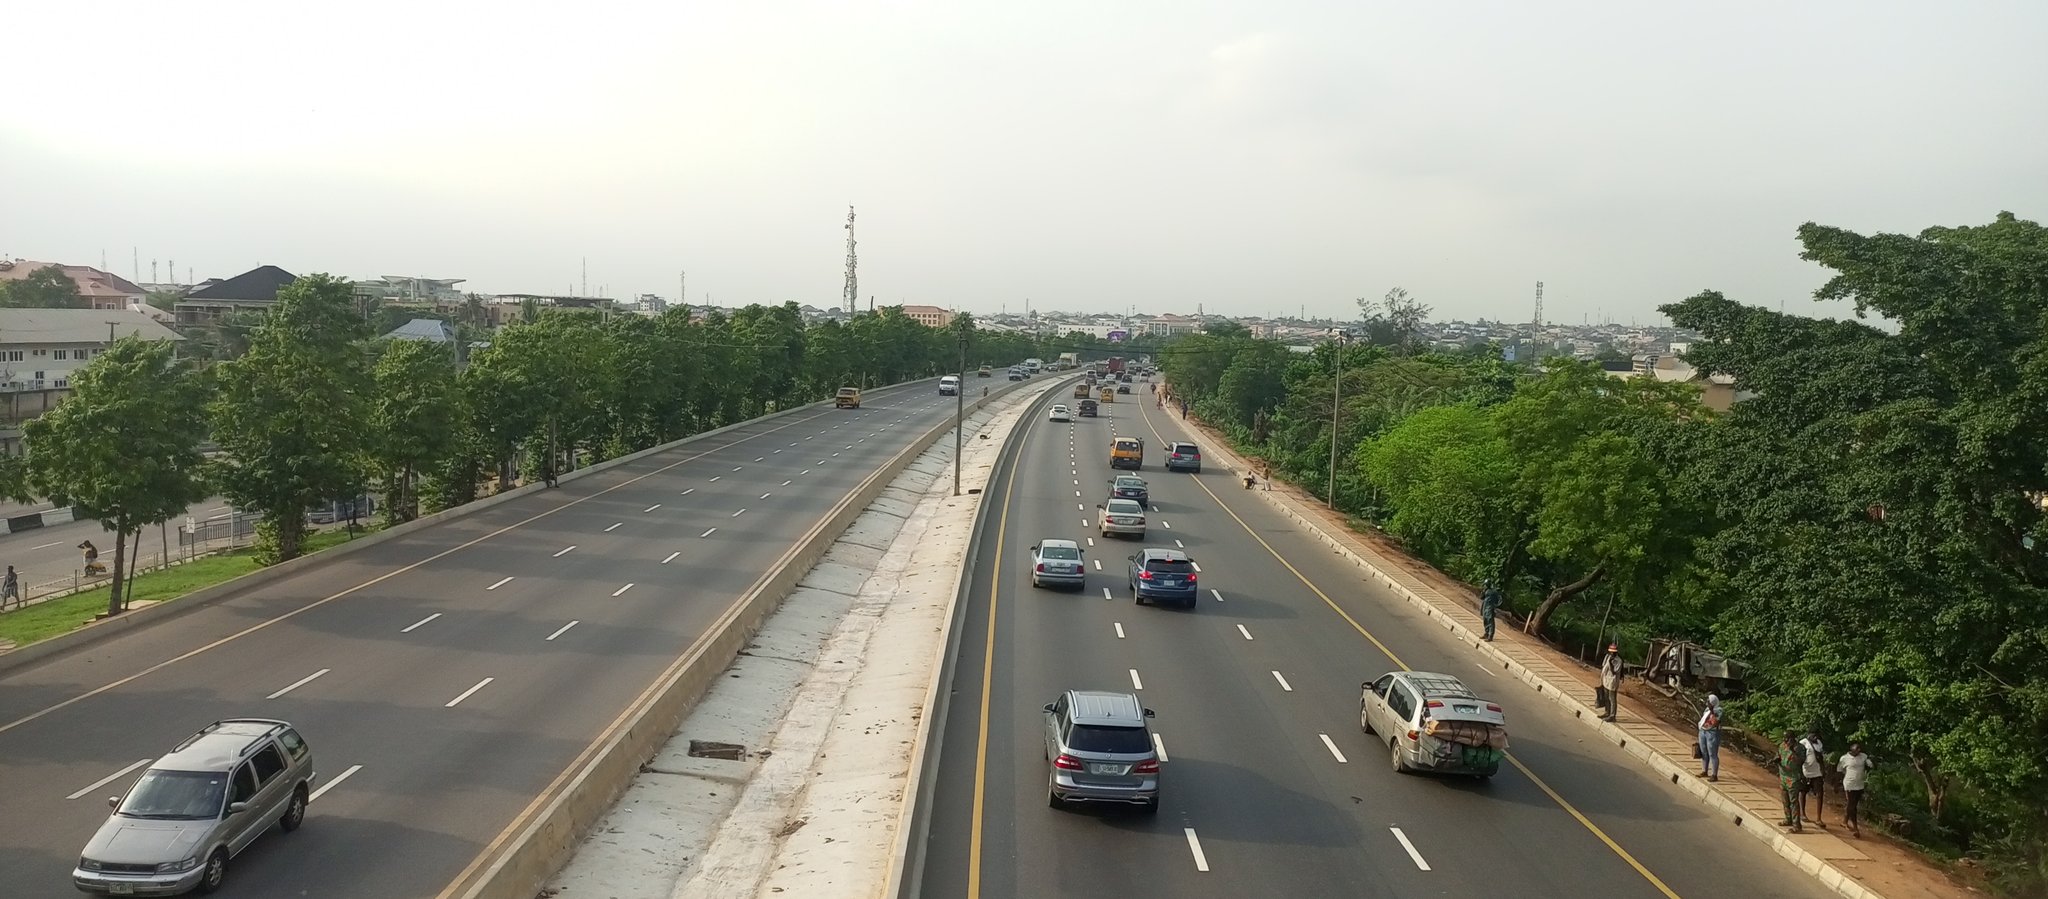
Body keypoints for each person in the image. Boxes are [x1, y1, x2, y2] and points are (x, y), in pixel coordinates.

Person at [1837, 742, 1871, 837]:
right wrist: (1838, 784)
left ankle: (1844, 821)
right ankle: (1856, 828)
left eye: (1859, 749)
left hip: (1859, 784)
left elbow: (1870, 765)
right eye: (1857, 749)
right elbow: (1839, 770)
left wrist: (1870, 764)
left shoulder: (1863, 756)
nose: (1859, 751)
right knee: (1852, 806)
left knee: (1852, 804)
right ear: (1851, 750)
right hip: (1849, 784)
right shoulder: (1844, 758)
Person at [1777, 731, 1805, 832]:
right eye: (1784, 738)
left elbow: (1801, 761)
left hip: (1793, 778)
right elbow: (1779, 756)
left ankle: (1796, 825)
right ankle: (1788, 818)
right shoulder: (1782, 746)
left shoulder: (1800, 748)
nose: (1786, 740)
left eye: (1788, 738)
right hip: (1783, 776)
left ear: (1793, 738)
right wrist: (1777, 760)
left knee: (1794, 802)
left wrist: (1793, 751)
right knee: (1785, 800)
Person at [1800, 729, 1828, 825]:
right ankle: (1802, 814)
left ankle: (1818, 818)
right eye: (1814, 735)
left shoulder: (1819, 743)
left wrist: (1823, 770)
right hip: (1806, 772)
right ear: (1809, 734)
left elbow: (1820, 758)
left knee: (1820, 794)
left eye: (1817, 735)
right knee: (1803, 793)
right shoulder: (1803, 743)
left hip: (1817, 773)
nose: (1815, 737)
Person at [1696, 694, 1722, 782]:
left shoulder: (1719, 710)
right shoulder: (1706, 710)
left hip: (1712, 733)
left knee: (1712, 753)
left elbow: (1716, 721)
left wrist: (1712, 711)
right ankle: (1704, 770)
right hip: (1703, 731)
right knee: (1704, 752)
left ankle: (1714, 774)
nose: (1707, 702)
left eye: (1709, 701)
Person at [1598, 644, 1624, 721]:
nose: (1612, 654)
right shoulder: (1607, 657)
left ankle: (1612, 715)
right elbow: (1604, 666)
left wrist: (1610, 663)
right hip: (1606, 679)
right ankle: (1607, 712)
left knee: (1612, 698)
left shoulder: (1618, 661)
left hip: (1613, 681)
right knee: (1606, 697)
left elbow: (1614, 672)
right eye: (1611, 652)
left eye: (1614, 653)